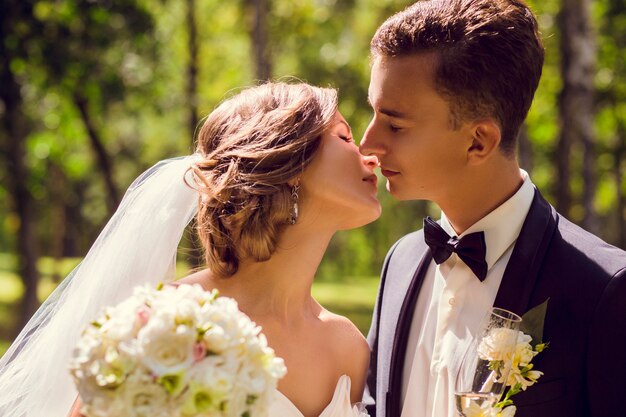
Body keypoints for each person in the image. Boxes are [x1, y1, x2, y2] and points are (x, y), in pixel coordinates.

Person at [0, 82, 380, 417]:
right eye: (344, 138)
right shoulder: (165, 325)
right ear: (289, 159)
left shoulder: (349, 347)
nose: (371, 156)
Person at [360, 1, 626, 417]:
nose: (368, 143)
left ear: (478, 141)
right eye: (373, 113)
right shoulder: (400, 263)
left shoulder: (605, 290)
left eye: (395, 125)